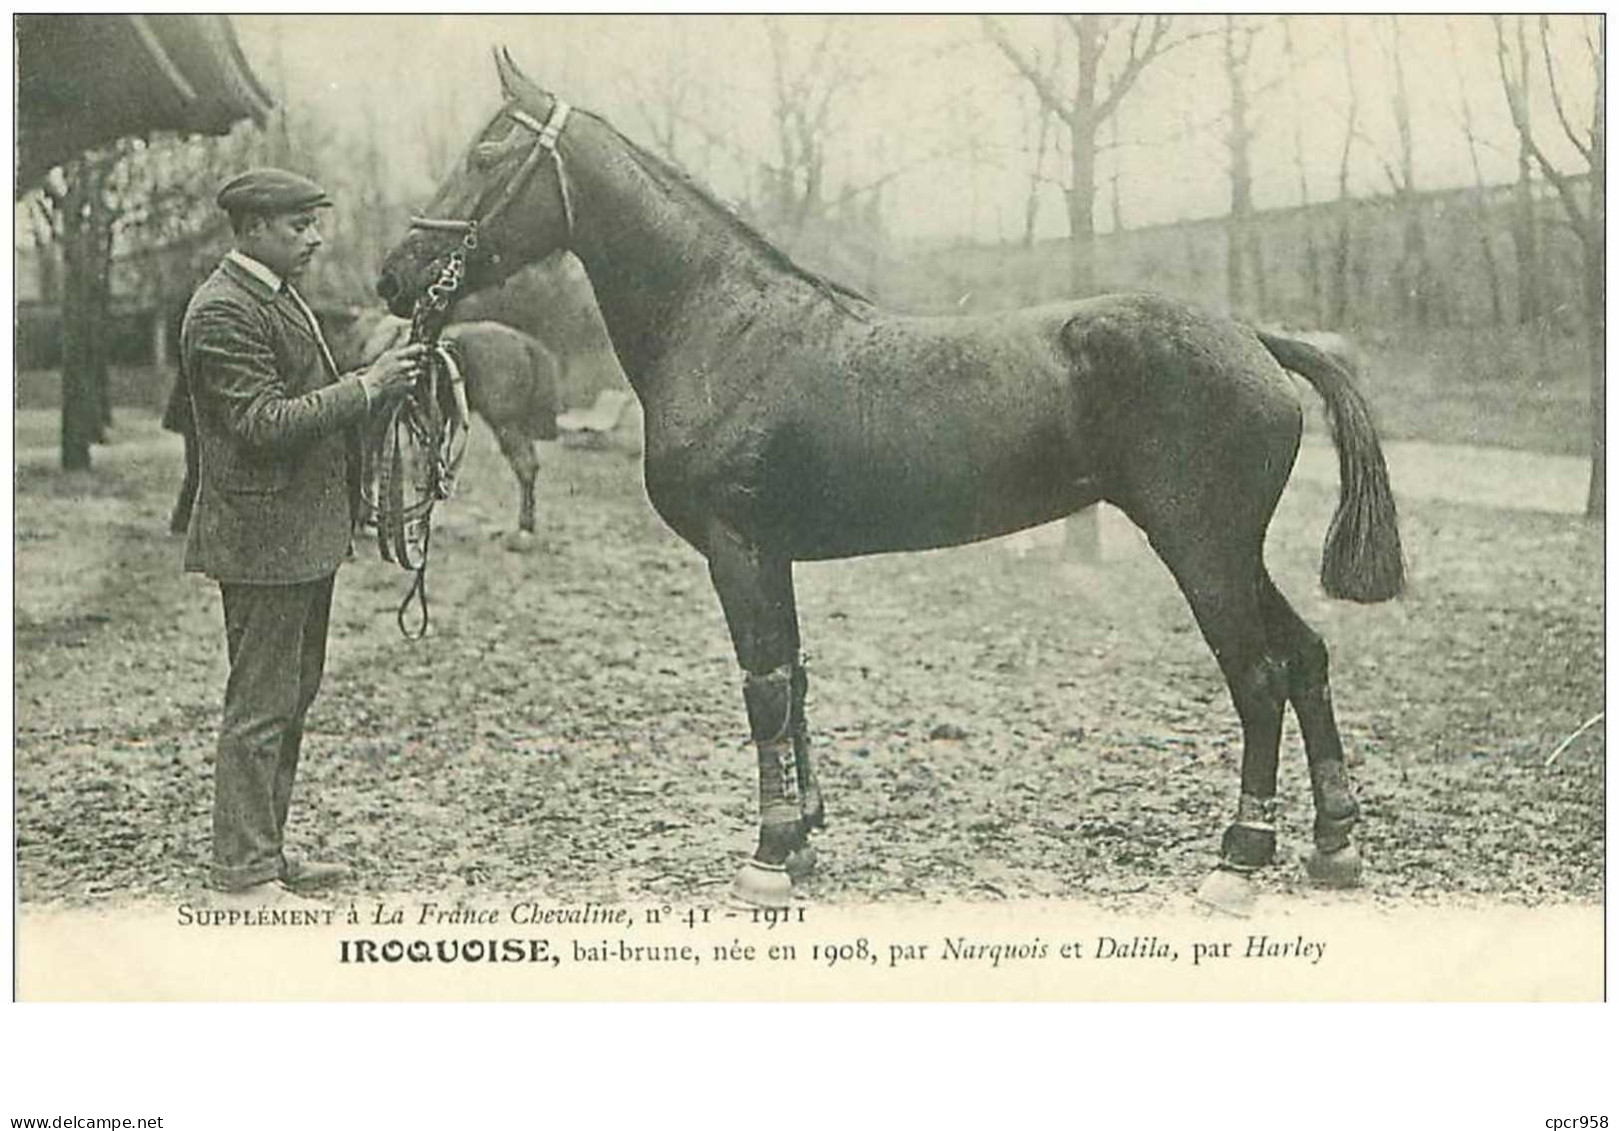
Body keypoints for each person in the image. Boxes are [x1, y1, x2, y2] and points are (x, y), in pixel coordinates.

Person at [180, 167, 426, 906]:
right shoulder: (222, 310)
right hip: (262, 540)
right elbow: (262, 424)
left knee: (290, 696)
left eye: (313, 223)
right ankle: (243, 877)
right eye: (298, 227)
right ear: (252, 229)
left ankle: (264, 852)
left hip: (296, 536)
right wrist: (364, 388)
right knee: (259, 705)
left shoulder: (274, 297)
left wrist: (379, 381)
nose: (314, 238)